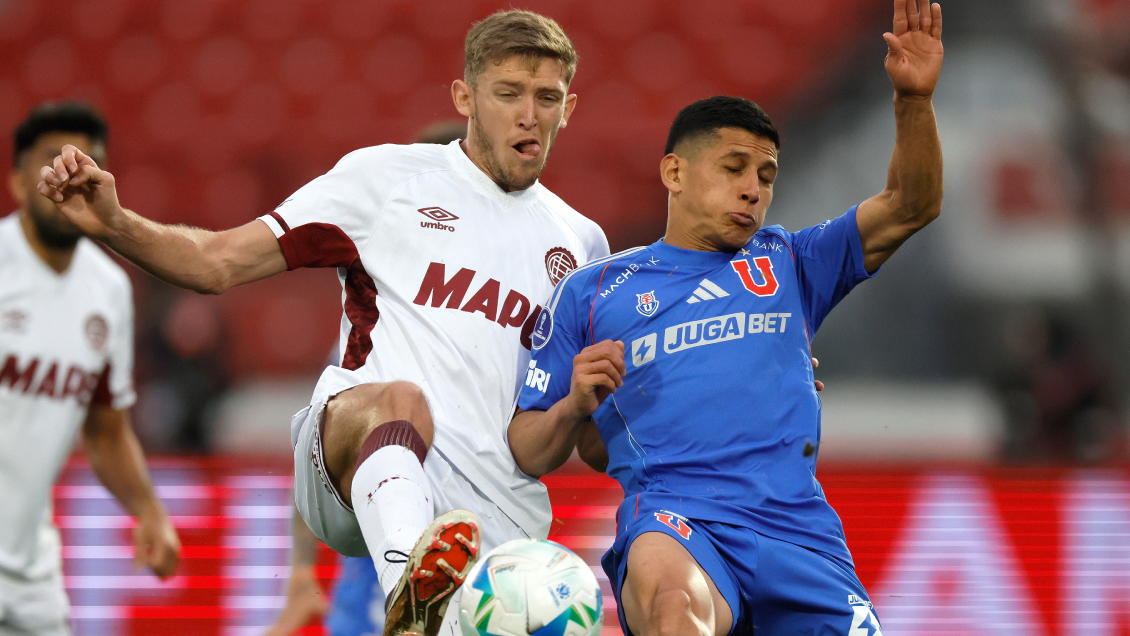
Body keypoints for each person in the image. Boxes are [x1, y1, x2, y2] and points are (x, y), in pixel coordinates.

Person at [36, 11, 608, 636]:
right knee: (399, 399)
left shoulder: (582, 246)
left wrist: (601, 406)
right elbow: (216, 263)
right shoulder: (386, 180)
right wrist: (118, 224)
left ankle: (429, 606)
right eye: (508, 93)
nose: (529, 114)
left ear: (569, 108)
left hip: (498, 526)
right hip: (353, 457)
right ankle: (411, 601)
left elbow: (570, 440)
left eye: (546, 98)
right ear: (464, 97)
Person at [509, 1, 944, 634]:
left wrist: (912, 101)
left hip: (798, 531)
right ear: (674, 173)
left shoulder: (792, 262)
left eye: (766, 175)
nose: (754, 189)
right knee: (674, 608)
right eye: (734, 168)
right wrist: (576, 404)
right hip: (677, 519)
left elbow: (913, 203)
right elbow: (530, 447)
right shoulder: (593, 291)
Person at [262, 118, 469, 636]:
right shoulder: (367, 336)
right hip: (365, 605)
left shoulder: (507, 328)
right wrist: (303, 577)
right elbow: (312, 454)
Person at [1, 102, 181, 635]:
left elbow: (105, 430)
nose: (69, 175)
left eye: (86, 162)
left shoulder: (108, 290)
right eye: (52, 162)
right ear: (15, 182)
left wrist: (149, 509)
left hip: (30, 571)